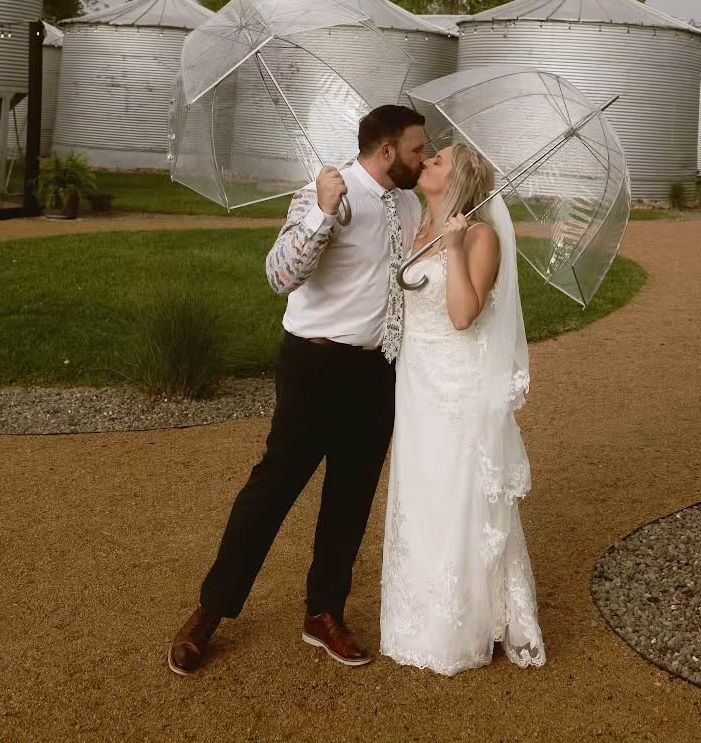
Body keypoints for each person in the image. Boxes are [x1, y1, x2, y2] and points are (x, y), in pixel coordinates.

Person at [169, 104, 427, 675]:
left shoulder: (410, 205)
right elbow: (279, 276)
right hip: (314, 366)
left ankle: (324, 612)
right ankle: (210, 612)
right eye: (416, 149)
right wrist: (323, 213)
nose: (423, 158)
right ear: (387, 151)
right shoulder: (323, 191)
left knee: (351, 498)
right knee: (271, 492)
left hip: (377, 372)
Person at [380, 143, 546, 675]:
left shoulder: (480, 236)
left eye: (439, 160)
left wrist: (453, 248)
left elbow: (461, 315)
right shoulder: (417, 227)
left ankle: (460, 625)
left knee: (457, 493)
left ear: (462, 180)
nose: (426, 162)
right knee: (422, 490)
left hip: (458, 387)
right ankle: (416, 610)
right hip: (417, 382)